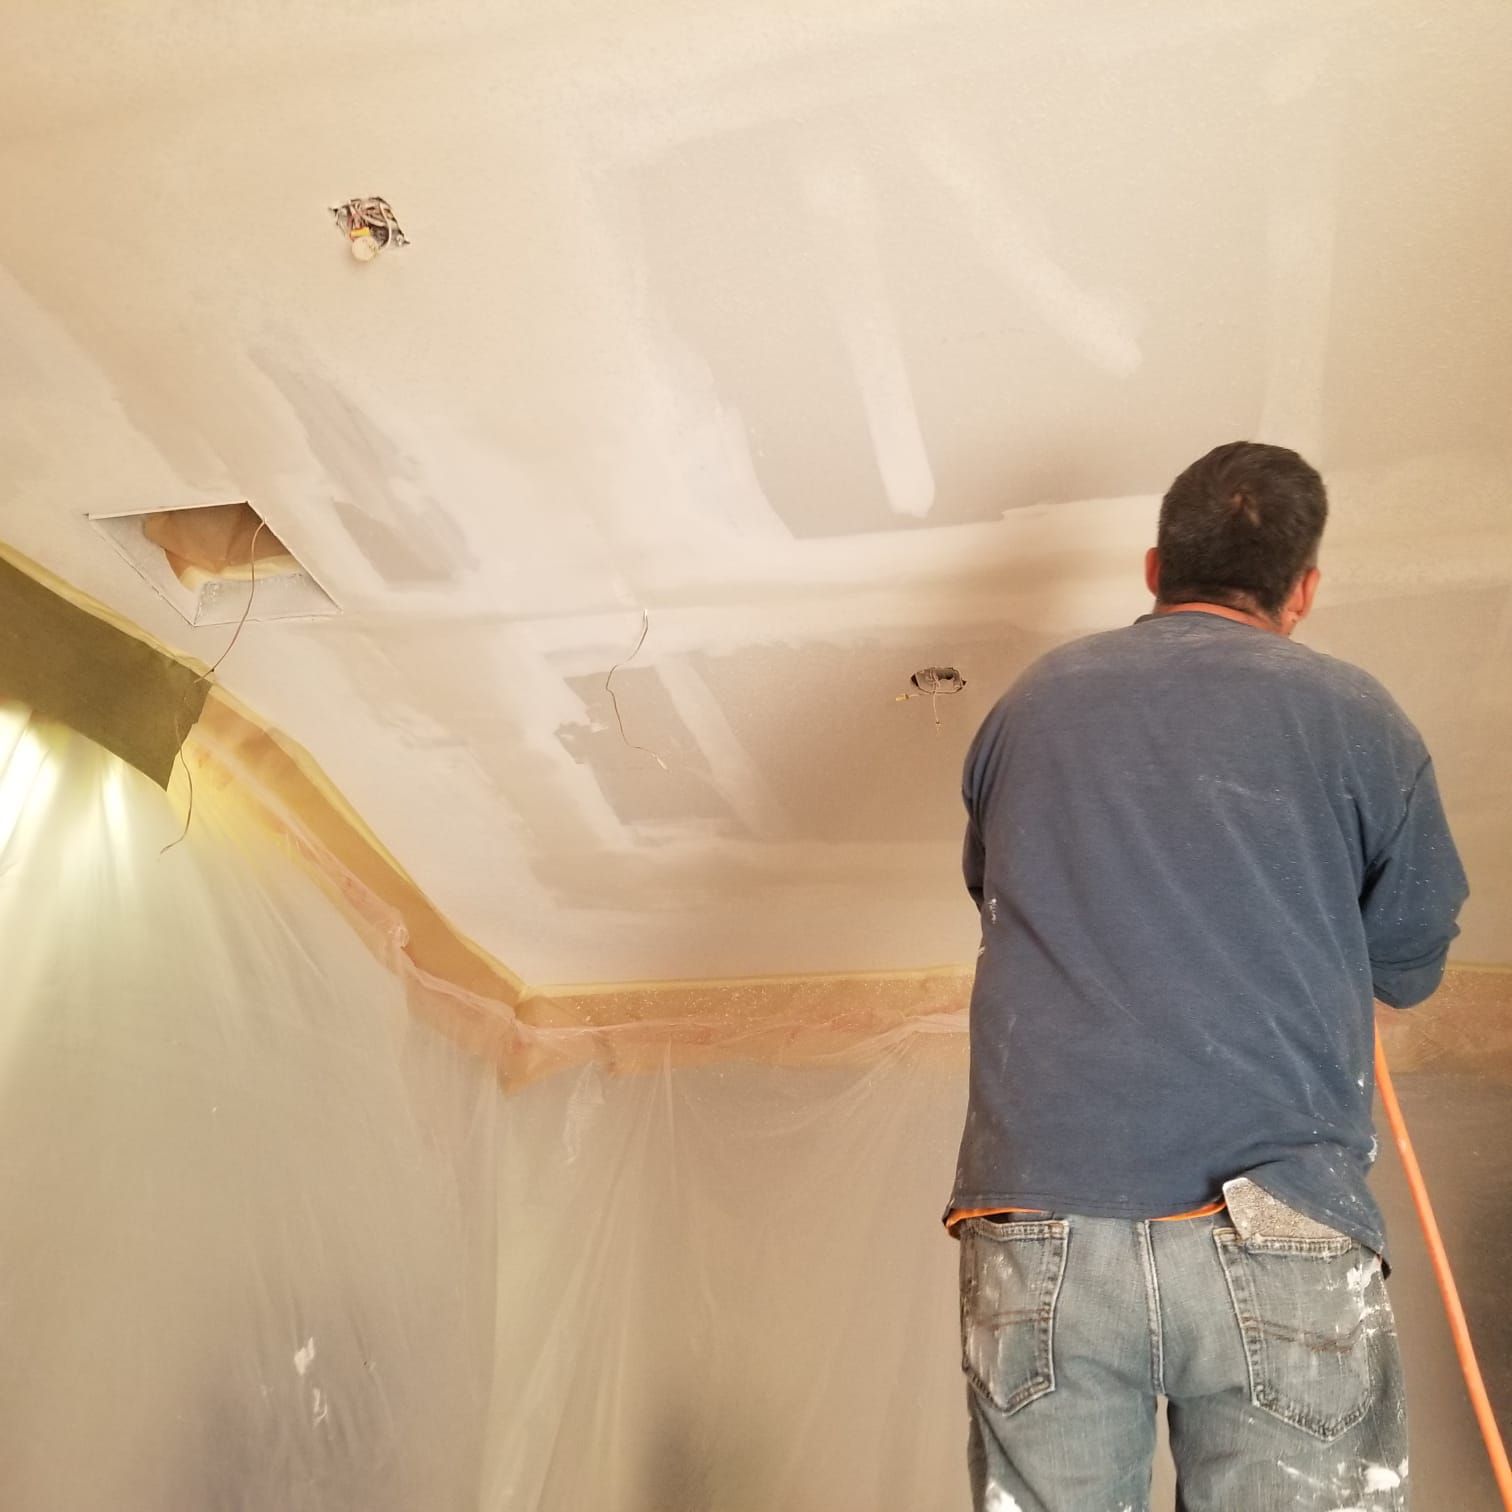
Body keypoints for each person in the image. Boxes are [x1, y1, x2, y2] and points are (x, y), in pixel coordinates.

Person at [946, 441, 1468, 1512]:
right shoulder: (1359, 719)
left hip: (1044, 1220)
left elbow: (999, 889)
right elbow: (1410, 964)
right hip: (1280, 1217)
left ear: (1153, 569)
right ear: (1304, 590)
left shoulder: (1028, 707)